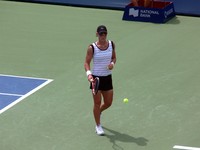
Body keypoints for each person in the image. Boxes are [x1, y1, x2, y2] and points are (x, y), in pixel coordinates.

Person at [84, 25, 116, 136]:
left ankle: (99, 112)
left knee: (108, 103)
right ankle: (98, 125)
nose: (103, 36)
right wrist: (89, 75)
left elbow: (114, 58)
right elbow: (86, 63)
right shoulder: (92, 47)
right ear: (97, 34)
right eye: (101, 34)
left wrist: (112, 64)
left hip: (107, 78)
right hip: (96, 79)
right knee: (97, 103)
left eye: (105, 34)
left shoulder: (111, 44)